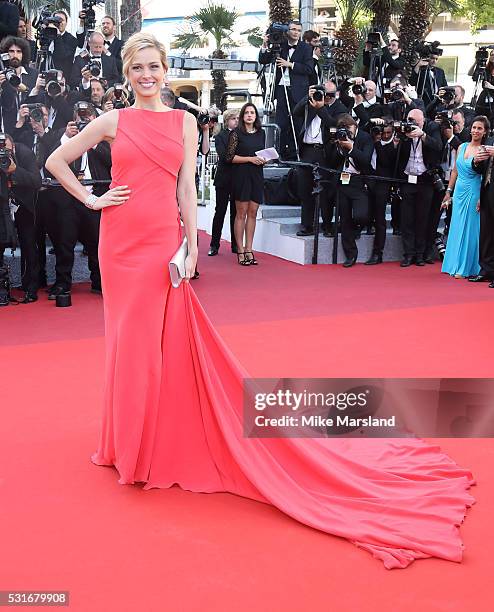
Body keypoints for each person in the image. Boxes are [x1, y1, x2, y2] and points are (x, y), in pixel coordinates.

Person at [46, 32, 475, 570]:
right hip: (120, 242)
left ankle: (141, 443)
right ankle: (125, 447)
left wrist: (190, 247)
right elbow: (57, 160)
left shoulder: (183, 123)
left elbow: (184, 190)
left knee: (159, 344)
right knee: (127, 346)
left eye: (156, 66)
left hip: (159, 243)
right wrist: (92, 197)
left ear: (164, 71)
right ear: (128, 71)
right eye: (139, 68)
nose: (148, 75)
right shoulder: (112, 121)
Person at [440, 116, 489, 278]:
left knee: (471, 229)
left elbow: (485, 176)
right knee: (457, 226)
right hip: (459, 191)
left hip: (474, 191)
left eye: (479, 128)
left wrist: (483, 197)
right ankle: (454, 264)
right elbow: (455, 170)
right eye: (474, 127)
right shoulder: (461, 147)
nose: (475, 130)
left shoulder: (484, 150)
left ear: (485, 132)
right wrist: (449, 191)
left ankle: (468, 267)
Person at [225, 103, 265, 265]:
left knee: (253, 212)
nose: (250, 115)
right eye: (247, 113)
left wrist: (264, 159)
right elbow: (229, 157)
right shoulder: (236, 133)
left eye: (252, 113)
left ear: (256, 116)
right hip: (241, 175)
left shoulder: (261, 133)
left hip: (256, 174)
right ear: (242, 116)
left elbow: (261, 152)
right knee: (241, 213)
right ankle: (240, 250)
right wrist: (250, 159)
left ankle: (249, 249)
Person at [208, 108, 238, 256]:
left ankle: (236, 245)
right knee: (220, 212)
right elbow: (224, 156)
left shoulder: (242, 135)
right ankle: (214, 245)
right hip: (223, 179)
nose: (237, 121)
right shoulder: (220, 136)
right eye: (234, 118)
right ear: (227, 121)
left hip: (238, 179)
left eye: (238, 118)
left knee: (236, 213)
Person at [470, 120, 494, 286]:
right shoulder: (490, 140)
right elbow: (482, 168)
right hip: (486, 192)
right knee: (486, 234)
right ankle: (486, 270)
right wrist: (477, 161)